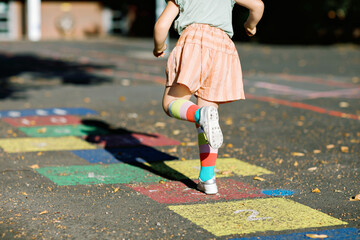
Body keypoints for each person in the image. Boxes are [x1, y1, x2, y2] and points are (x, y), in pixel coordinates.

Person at [153, 0, 264, 194]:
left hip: (193, 42)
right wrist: (250, 25)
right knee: (208, 113)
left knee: (171, 103)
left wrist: (159, 47)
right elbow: (258, 6)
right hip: (223, 48)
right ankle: (208, 178)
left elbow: (161, 25)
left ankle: (199, 114)